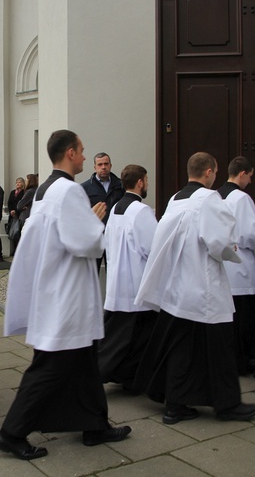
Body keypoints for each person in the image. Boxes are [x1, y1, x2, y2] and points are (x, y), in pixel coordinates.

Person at [0, 129, 131, 461]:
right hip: (67, 294)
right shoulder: (69, 191)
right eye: (83, 151)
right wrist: (95, 223)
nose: (86, 157)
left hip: (57, 287)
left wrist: (87, 221)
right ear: (70, 153)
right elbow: (83, 242)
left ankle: (95, 425)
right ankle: (11, 433)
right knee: (51, 366)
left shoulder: (45, 189)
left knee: (85, 363)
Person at [133, 152, 255, 424]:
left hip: (179, 289)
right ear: (210, 172)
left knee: (182, 349)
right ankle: (227, 405)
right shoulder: (209, 199)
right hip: (204, 288)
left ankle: (175, 406)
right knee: (220, 350)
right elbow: (218, 243)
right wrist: (232, 249)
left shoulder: (176, 198)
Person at [98, 164, 158, 389]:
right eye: (147, 180)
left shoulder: (115, 208)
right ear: (141, 181)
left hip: (118, 283)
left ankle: (130, 377)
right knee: (122, 342)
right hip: (136, 285)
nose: (147, 185)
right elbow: (153, 248)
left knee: (127, 338)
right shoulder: (141, 211)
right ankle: (92, 377)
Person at [217, 157, 255, 375]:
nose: (250, 181)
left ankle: (229, 359)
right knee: (246, 320)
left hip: (224, 265)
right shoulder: (242, 198)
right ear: (242, 173)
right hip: (243, 267)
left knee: (230, 321)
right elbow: (249, 236)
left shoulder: (215, 196)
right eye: (250, 176)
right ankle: (244, 361)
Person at [81, 153, 124, 272]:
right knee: (92, 273)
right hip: (95, 237)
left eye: (106, 164)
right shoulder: (85, 188)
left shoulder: (120, 185)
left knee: (114, 272)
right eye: (100, 164)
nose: (103, 167)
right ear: (95, 167)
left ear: (110, 165)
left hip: (115, 236)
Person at [7, 177, 25, 256]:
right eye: (17, 182)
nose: (17, 184)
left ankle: (20, 251)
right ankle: (14, 250)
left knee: (19, 233)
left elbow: (22, 204)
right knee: (13, 233)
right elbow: (9, 203)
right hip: (12, 215)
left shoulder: (24, 192)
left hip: (19, 214)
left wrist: (16, 211)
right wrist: (11, 210)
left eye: (19, 182)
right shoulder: (12, 192)